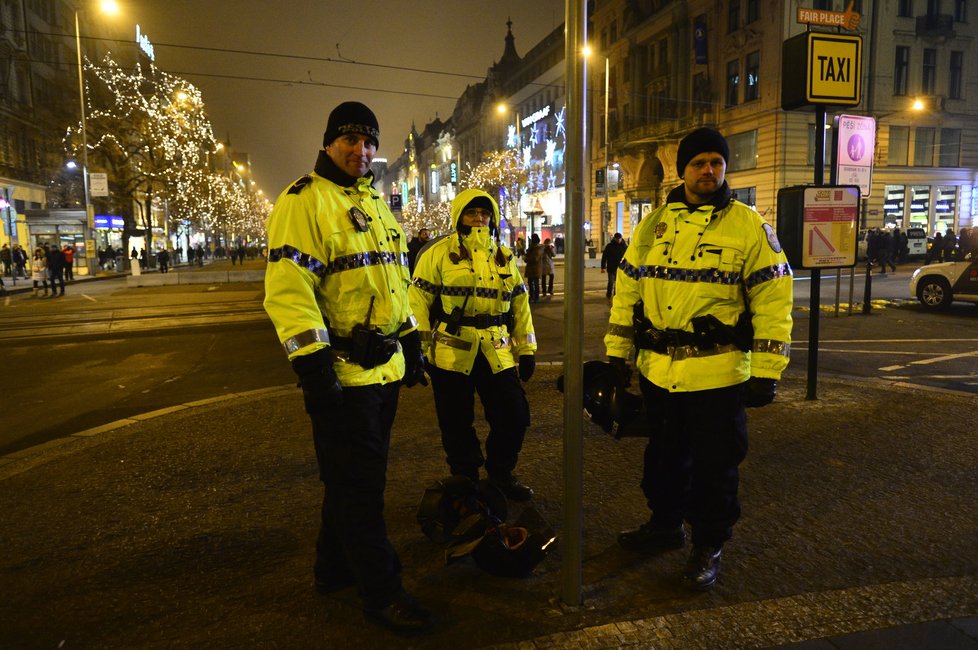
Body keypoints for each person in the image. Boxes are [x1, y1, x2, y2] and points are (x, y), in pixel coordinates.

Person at [262, 101, 432, 635]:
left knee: (352, 483)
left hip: (382, 373)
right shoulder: (303, 200)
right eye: (351, 140)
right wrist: (313, 370)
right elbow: (289, 293)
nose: (362, 151)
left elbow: (392, 283)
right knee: (361, 491)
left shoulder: (375, 203)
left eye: (369, 141)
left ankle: (332, 571)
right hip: (342, 376)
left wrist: (410, 341)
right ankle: (382, 593)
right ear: (330, 142)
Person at [605, 127, 793, 591]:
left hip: (719, 374)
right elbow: (627, 291)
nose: (708, 170)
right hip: (658, 371)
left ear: (725, 168)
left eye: (715, 162)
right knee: (663, 459)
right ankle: (665, 525)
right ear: (683, 170)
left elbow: (774, 302)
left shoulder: (749, 225)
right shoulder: (652, 224)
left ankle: (708, 544)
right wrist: (615, 354)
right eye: (698, 163)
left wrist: (767, 372)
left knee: (715, 467)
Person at [409, 188, 537, 501]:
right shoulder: (437, 253)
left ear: (492, 218)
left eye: (484, 213)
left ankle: (500, 473)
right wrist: (420, 350)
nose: (479, 218)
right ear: (459, 217)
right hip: (452, 353)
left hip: (496, 350)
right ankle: (464, 478)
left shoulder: (504, 256)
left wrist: (527, 349)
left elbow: (520, 305)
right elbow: (418, 301)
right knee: (455, 423)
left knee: (515, 415)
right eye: (472, 213)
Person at [601, 232, 628, 301]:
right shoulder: (609, 246)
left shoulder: (625, 246)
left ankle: (616, 295)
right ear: (614, 239)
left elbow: (628, 257)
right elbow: (604, 257)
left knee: (618, 283)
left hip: (621, 268)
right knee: (611, 282)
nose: (619, 240)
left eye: (620, 239)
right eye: (617, 239)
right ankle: (608, 295)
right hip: (611, 268)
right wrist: (603, 267)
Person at [522, 233, 543, 303]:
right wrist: (525, 257)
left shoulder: (538, 248)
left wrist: (526, 258)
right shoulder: (532, 248)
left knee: (535, 284)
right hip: (531, 269)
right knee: (531, 284)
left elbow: (535, 259)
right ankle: (532, 297)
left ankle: (536, 298)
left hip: (535, 269)